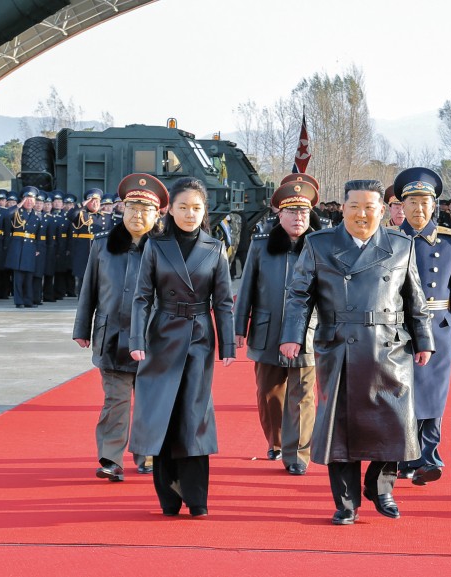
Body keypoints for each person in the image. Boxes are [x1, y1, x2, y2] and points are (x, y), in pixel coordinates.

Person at [280, 179, 434, 524]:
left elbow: (415, 298)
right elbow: (299, 295)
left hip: (390, 347)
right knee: (341, 428)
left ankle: (381, 488)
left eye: (370, 207)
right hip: (340, 345)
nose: (362, 214)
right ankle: (346, 503)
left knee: (394, 423)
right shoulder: (319, 244)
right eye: (355, 207)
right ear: (343, 209)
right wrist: (292, 335)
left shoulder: (400, 245)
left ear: (382, 210)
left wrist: (424, 339)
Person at [128, 177, 235, 518]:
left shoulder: (215, 248)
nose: (190, 213)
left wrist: (228, 344)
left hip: (199, 338)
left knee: (194, 415)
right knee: (164, 414)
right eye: (183, 207)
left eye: (197, 207)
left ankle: (197, 498)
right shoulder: (155, 247)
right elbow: (142, 297)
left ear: (205, 211)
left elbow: (224, 302)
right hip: (162, 335)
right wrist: (136, 340)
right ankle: (169, 498)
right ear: (169, 209)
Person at [74, 174, 167, 482]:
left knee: (150, 400)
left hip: (153, 339)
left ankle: (148, 453)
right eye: (131, 208)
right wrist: (82, 328)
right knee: (115, 400)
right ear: (122, 210)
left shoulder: (166, 250)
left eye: (145, 210)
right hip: (111, 335)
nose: (137, 215)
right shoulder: (102, 247)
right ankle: (111, 458)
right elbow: (89, 291)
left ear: (156, 215)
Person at [234, 177, 320, 475]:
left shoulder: (321, 246)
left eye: (304, 213)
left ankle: (298, 453)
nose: (298, 218)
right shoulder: (260, 247)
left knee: (303, 395)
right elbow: (245, 289)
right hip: (267, 330)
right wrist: (238, 328)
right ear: (279, 216)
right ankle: (278, 441)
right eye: (292, 213)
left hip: (308, 332)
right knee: (269, 393)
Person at [392, 168, 451, 486]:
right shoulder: (391, 240)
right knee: (403, 395)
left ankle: (429, 456)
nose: (419, 209)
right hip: (400, 330)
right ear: (401, 206)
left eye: (425, 202)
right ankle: (405, 457)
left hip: (439, 328)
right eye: (412, 203)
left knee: (434, 397)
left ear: (434, 205)